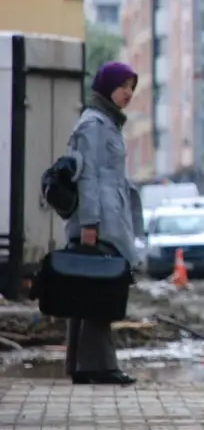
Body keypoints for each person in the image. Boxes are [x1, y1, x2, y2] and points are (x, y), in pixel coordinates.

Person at [65, 61, 141, 386]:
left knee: (89, 291)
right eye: (123, 86)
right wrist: (90, 223)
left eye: (132, 88)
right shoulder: (93, 124)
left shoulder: (108, 123)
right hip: (100, 223)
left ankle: (82, 365)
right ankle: (100, 366)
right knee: (100, 292)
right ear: (107, 87)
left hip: (110, 219)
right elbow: (88, 177)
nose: (129, 93)